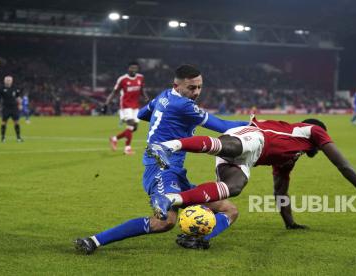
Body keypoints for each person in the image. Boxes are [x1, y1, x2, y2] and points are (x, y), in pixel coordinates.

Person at [74, 64, 249, 254]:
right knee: (163, 222)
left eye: (199, 86)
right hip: (161, 170)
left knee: (230, 210)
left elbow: (142, 114)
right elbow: (223, 125)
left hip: (176, 173)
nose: (197, 92)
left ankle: (194, 238)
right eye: (192, 88)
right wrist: (254, 125)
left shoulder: (165, 95)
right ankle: (93, 241)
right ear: (177, 86)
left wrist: (167, 120)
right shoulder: (184, 105)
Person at [147, 117, 356, 222]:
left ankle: (169, 199)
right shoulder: (311, 131)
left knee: (234, 188)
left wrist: (289, 223)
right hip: (255, 136)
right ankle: (168, 146)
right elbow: (342, 164)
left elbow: (280, 192)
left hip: (248, 159)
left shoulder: (289, 158)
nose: (326, 141)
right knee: (229, 146)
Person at [103, 61, 148, 155]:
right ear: (128, 68)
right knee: (131, 125)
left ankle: (114, 139)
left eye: (135, 68)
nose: (133, 70)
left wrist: (146, 97)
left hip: (135, 106)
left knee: (133, 128)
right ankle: (127, 148)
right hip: (125, 106)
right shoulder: (122, 79)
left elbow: (142, 89)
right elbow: (114, 92)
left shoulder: (140, 77)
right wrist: (106, 103)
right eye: (132, 68)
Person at [0, 75, 23, 142]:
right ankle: (3, 138)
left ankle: (18, 138)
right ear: (4, 81)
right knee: (4, 122)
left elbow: (18, 97)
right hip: (6, 108)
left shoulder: (15, 88)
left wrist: (20, 105)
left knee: (16, 122)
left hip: (14, 107)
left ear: (12, 81)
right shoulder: (1, 89)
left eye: (9, 80)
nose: (8, 81)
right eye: (7, 80)